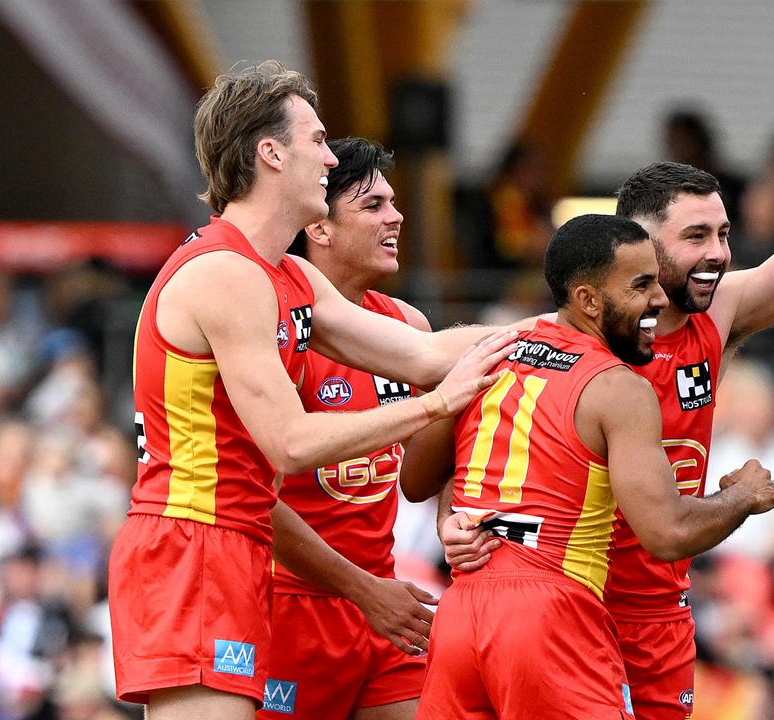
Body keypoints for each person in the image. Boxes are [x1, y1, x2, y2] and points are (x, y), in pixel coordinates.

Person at [440, 9, 774, 718]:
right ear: (638, 243)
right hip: (564, 606)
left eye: (725, 234)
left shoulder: (720, 314)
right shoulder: (561, 333)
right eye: (696, 235)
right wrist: (453, 518)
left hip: (658, 615)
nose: (719, 254)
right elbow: (456, 423)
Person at [110, 61, 515, 720]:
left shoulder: (286, 277)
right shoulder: (226, 272)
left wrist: (573, 324)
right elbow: (291, 443)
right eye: (318, 140)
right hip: (198, 546)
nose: (332, 157)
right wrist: (437, 404)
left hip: (241, 551)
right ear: (271, 153)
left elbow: (422, 353)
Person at [419, 214, 774, 720]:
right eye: (640, 285)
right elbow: (666, 533)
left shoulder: (491, 355)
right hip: (550, 617)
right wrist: (743, 496)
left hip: (461, 612)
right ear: (589, 300)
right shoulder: (618, 387)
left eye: (657, 279)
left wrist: (452, 516)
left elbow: (415, 479)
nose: (660, 298)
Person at [256, 138, 457, 720]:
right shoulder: (274, 329)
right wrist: (363, 591)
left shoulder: (407, 325)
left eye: (393, 203)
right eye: (372, 206)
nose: (396, 216)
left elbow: (430, 464)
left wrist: (452, 517)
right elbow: (254, 499)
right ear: (319, 227)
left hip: (385, 599)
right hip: (293, 604)